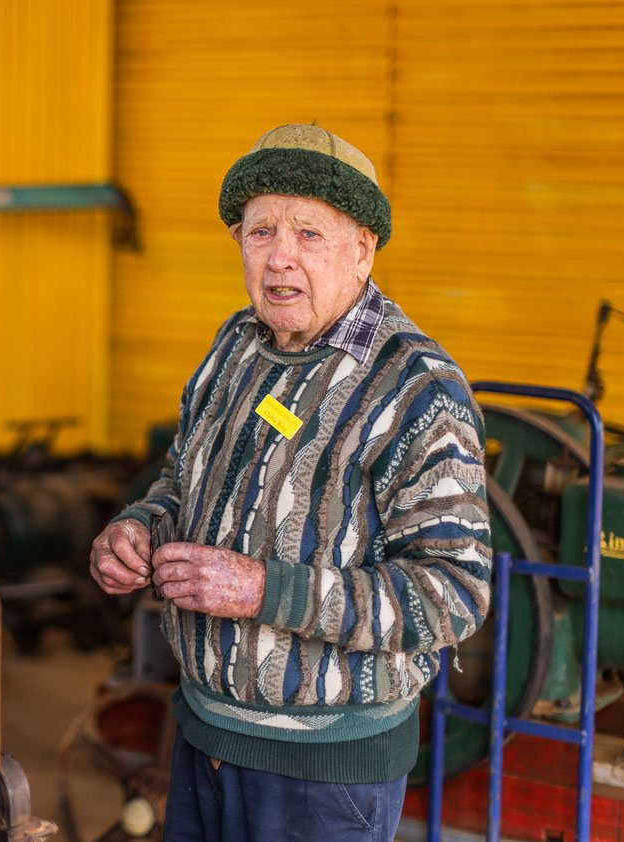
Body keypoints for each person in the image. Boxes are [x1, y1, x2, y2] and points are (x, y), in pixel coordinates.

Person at [89, 125, 491, 841]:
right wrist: (140, 527)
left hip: (325, 776)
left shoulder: (418, 389)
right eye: (260, 231)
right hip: (203, 738)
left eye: (310, 234)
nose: (280, 258)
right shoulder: (234, 347)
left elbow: (454, 596)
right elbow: (182, 478)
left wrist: (261, 589)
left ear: (362, 251)